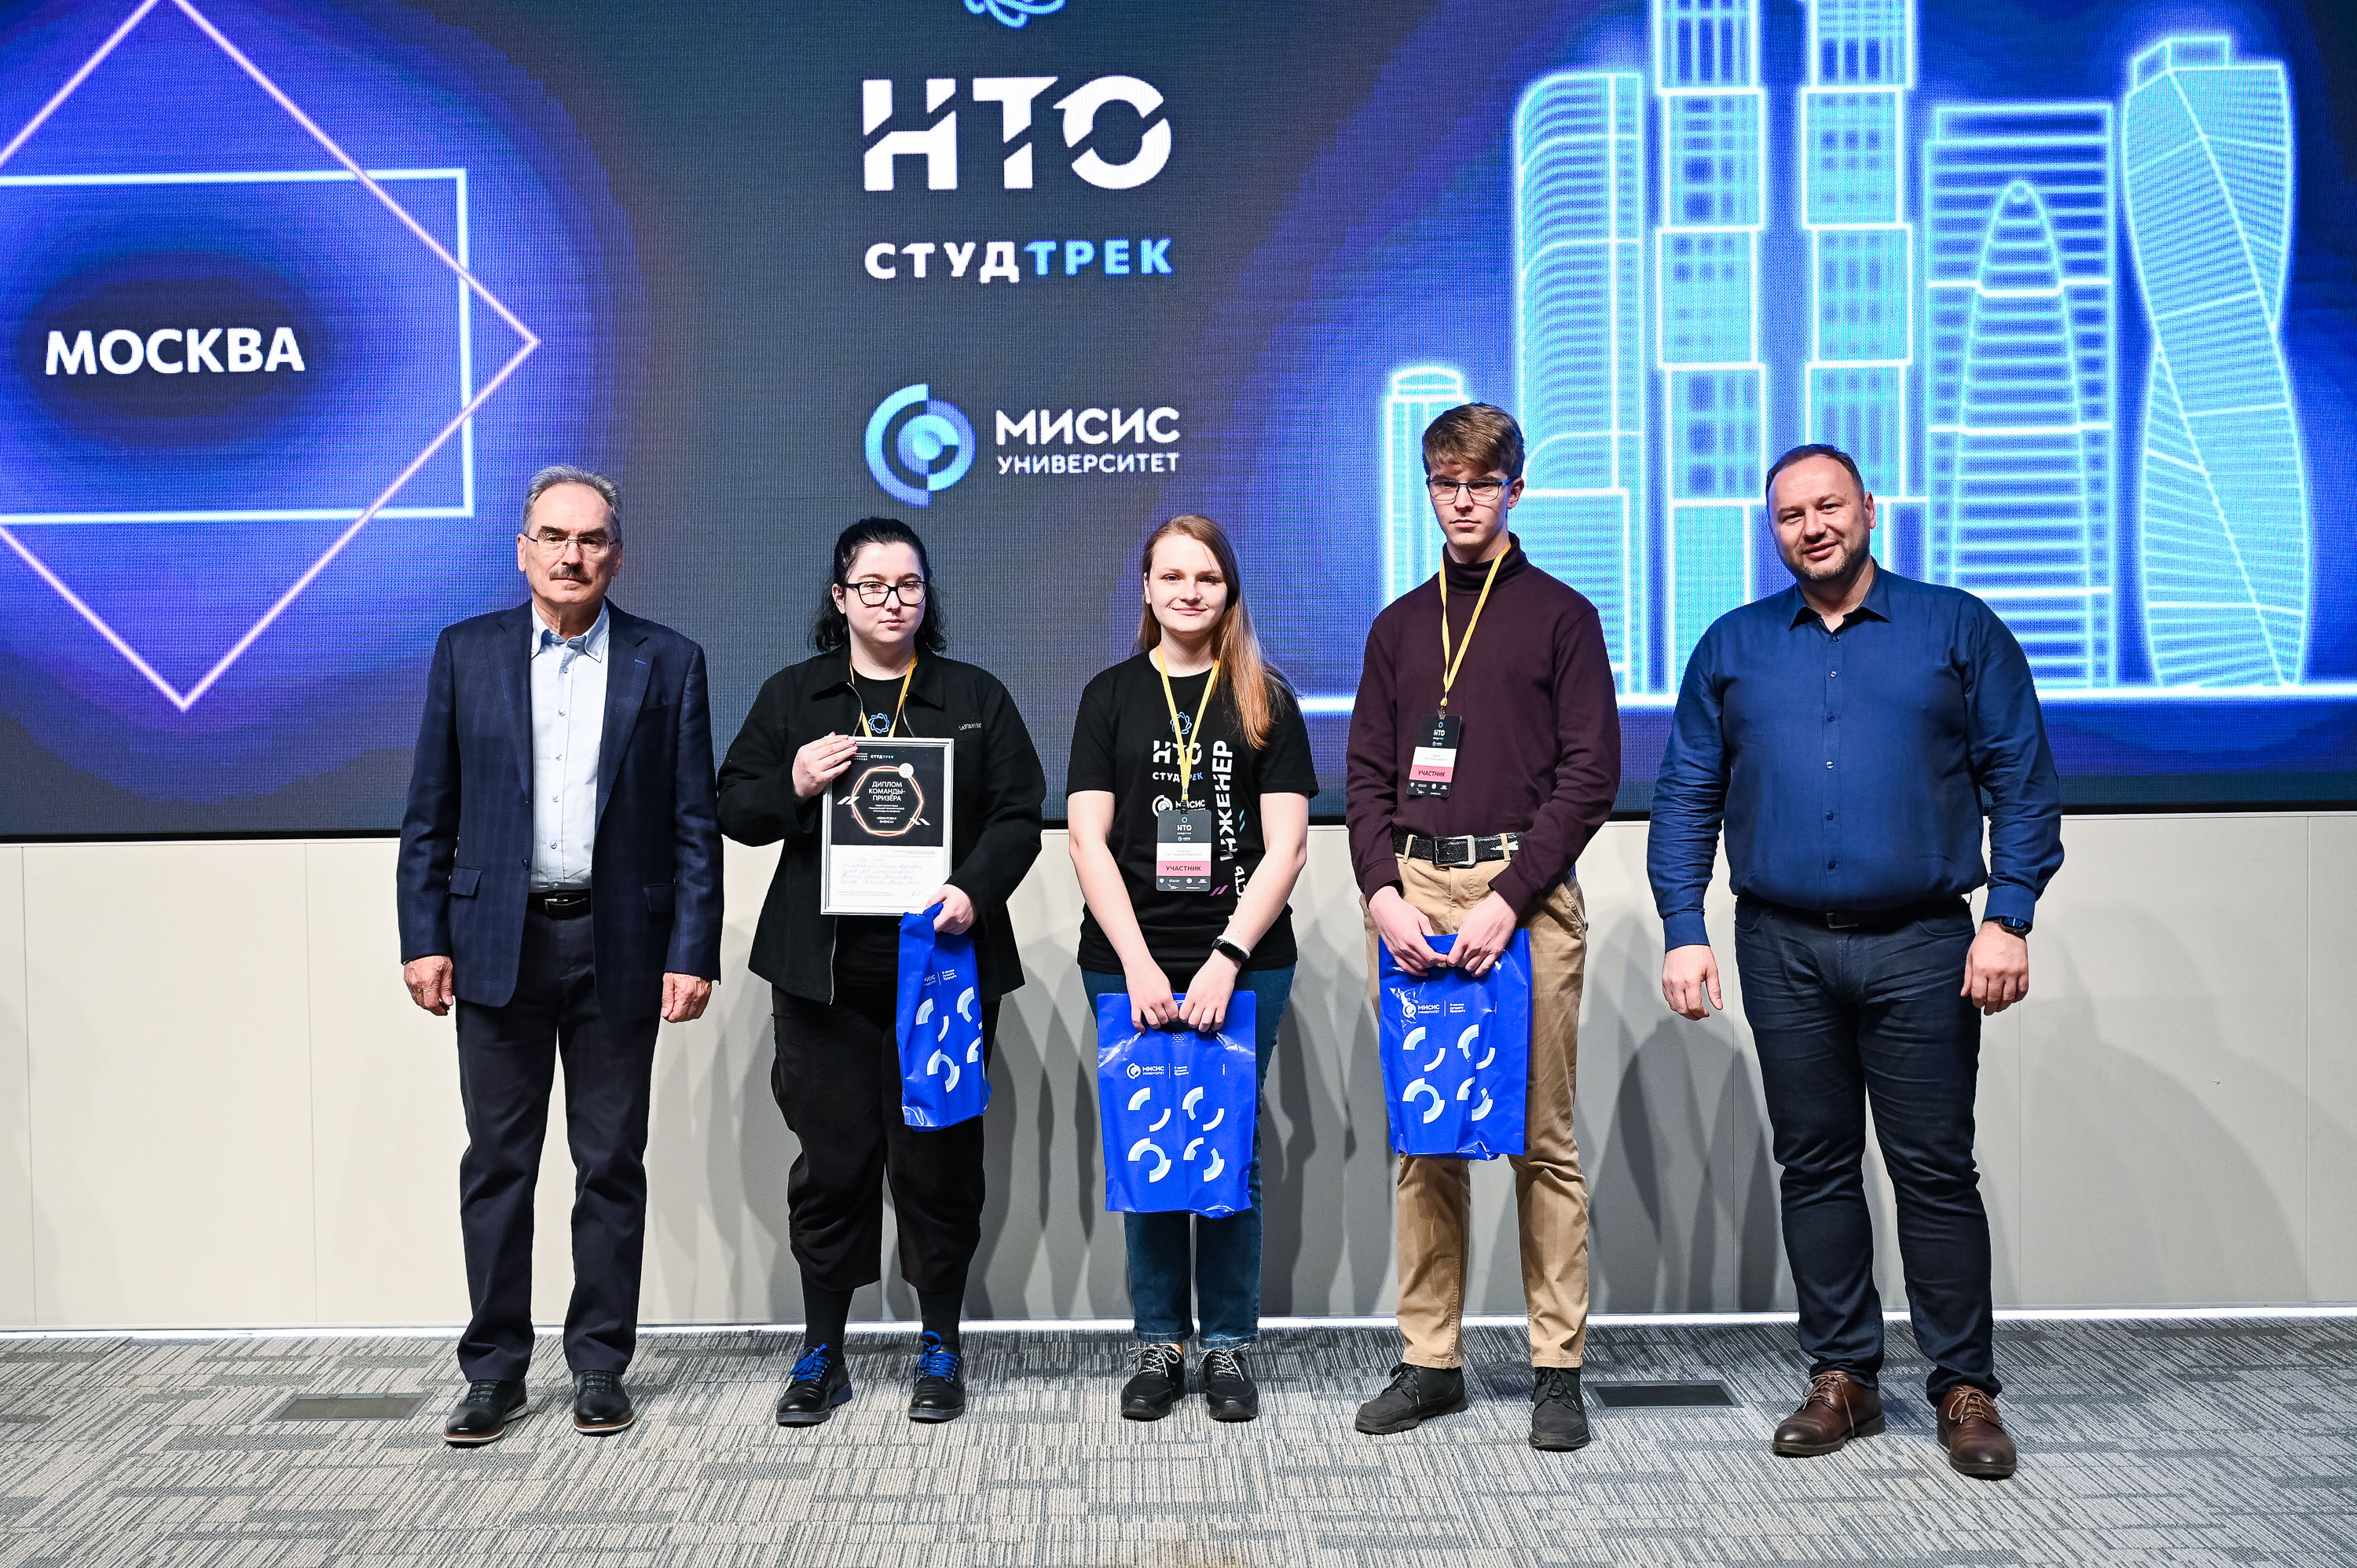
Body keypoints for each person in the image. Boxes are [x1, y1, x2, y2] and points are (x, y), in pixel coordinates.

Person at [1648, 442, 2063, 1481]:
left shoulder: (1956, 627)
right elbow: (1686, 794)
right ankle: (1843, 1377)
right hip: (1781, 943)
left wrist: (2008, 916)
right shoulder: (1733, 645)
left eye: (1828, 506)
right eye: (1790, 516)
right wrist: (1684, 927)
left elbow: (2022, 780)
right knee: (1817, 1164)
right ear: (1774, 531)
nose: (1812, 527)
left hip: (1924, 942)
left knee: (1935, 1170)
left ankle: (1964, 1387)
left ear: (1868, 508)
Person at [397, 465, 723, 1446]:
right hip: (495, 943)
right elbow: (429, 815)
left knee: (610, 1164)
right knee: (498, 1163)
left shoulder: (670, 661)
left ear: (616, 554)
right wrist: (424, 937)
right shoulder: (467, 652)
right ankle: (494, 1370)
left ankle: (599, 1364)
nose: (571, 554)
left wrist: (692, 949)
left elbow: (693, 825)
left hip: (620, 943)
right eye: (553, 535)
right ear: (522, 549)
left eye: (590, 538)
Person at [719, 517, 1043, 1427]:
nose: (893, 600)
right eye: (873, 586)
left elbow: (1019, 814)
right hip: (825, 980)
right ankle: (823, 1349)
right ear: (840, 597)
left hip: (943, 972)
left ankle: (940, 1343)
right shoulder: (796, 696)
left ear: (926, 594)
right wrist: (793, 782)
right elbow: (733, 806)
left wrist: (973, 890)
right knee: (833, 1166)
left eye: (908, 585)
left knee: (939, 1163)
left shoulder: (972, 696)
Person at [1343, 404, 1620, 1452]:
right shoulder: (1397, 627)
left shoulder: (1562, 616)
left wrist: (1509, 897)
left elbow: (1592, 774)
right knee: (1427, 1145)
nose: (1463, 502)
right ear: (1429, 489)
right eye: (1445, 483)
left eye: (1482, 483)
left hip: (1525, 893)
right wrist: (1382, 893)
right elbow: (1365, 777)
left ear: (1516, 489)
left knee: (1542, 1143)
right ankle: (1431, 1361)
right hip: (1416, 887)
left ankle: (1557, 1370)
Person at [1067, 514, 1318, 1423]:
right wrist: (1139, 964)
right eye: (1171, 576)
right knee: (1149, 1147)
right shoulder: (1110, 695)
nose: (1189, 591)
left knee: (1228, 1153)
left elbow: (1287, 848)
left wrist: (1224, 958)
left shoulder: (1265, 697)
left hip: (1243, 963)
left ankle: (1228, 1344)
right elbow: (1087, 840)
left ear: (1229, 590)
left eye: (1206, 577)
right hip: (1125, 962)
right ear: (1146, 588)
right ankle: (1159, 1340)